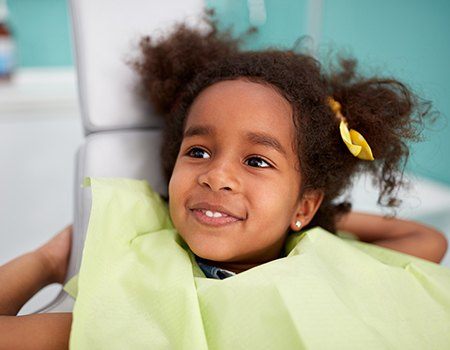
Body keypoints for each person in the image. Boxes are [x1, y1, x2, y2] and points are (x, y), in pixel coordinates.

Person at [0, 13, 448, 349]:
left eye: (257, 161)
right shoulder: (137, 297)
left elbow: (425, 239)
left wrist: (316, 222)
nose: (217, 175)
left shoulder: (327, 262)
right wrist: (49, 259)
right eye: (197, 152)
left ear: (305, 205)